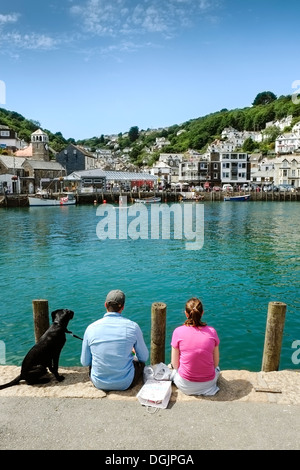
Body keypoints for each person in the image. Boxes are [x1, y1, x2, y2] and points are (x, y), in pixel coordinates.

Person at [81, 290, 149, 391]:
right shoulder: (133, 327)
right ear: (123, 307)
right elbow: (144, 357)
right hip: (125, 383)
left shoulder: (91, 328)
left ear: (105, 305)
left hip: (98, 382)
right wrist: (133, 354)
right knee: (141, 364)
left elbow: (85, 362)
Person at [170, 297, 220, 396]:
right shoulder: (212, 332)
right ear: (202, 313)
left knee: (172, 369)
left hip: (185, 386)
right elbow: (215, 364)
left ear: (186, 313)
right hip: (209, 385)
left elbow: (175, 365)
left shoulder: (178, 331)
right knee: (218, 369)